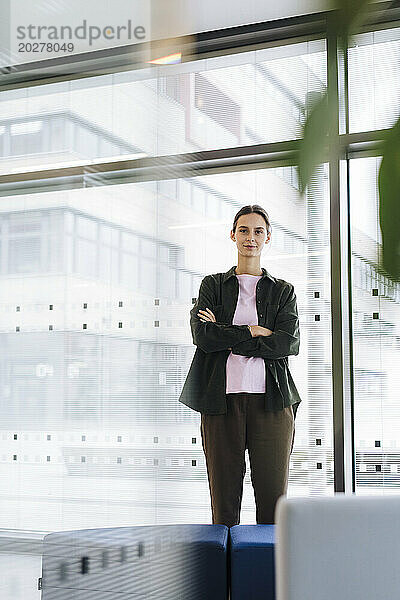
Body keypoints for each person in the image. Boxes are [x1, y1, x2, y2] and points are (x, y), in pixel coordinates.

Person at [178, 204, 302, 527]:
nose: (251, 237)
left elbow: (287, 344)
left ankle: (270, 575)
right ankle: (227, 576)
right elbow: (203, 336)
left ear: (268, 238)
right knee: (224, 506)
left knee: (273, 506)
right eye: (244, 230)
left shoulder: (283, 291)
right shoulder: (213, 286)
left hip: (272, 405)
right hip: (221, 404)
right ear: (233, 235)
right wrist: (251, 331)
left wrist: (227, 335)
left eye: (258, 231)